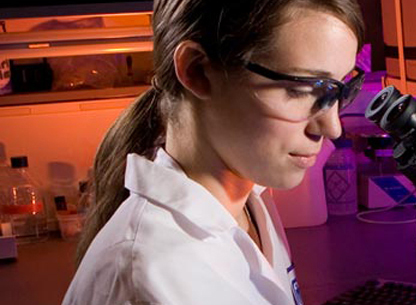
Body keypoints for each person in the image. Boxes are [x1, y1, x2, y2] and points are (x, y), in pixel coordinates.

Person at [63, 0, 364, 304]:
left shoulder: (245, 197)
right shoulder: (155, 276)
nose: (332, 127)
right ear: (197, 71)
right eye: (301, 89)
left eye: (340, 91)